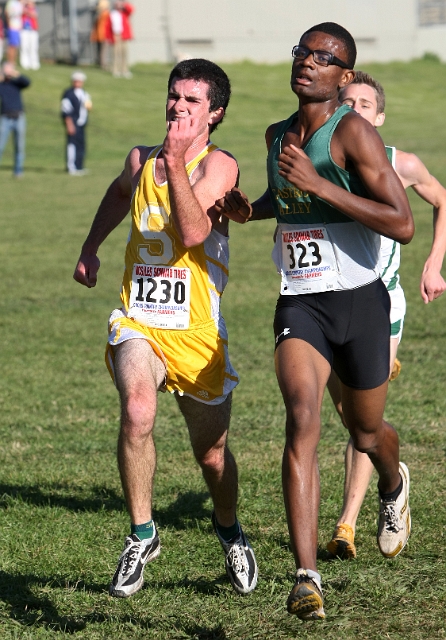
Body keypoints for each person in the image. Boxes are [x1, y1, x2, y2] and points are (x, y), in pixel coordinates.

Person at [215, 22, 414, 620]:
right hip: (300, 301)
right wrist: (254, 209)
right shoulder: (278, 135)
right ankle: (306, 578)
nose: (308, 62)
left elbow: (401, 220)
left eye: (324, 57)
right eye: (303, 51)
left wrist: (320, 186)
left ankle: (392, 481)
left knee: (364, 432)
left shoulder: (351, 132)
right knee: (301, 416)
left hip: (361, 301)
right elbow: (289, 195)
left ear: (344, 76)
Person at [73, 58, 258, 599]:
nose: (178, 105)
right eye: (174, 95)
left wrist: (177, 162)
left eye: (193, 100)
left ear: (215, 113)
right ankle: (142, 533)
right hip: (140, 321)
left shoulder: (219, 165)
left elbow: (195, 230)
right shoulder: (140, 158)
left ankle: (229, 531)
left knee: (212, 455)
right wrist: (91, 246)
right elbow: (116, 193)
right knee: (137, 411)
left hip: (198, 331)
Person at [325, 70, 446, 560]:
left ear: (379, 116)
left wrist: (435, 264)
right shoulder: (324, 159)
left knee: (360, 419)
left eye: (364, 103)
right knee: (348, 415)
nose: (354, 109)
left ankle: (347, 524)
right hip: (326, 301)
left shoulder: (402, 163)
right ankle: (394, 480)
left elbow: (442, 199)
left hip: (381, 303)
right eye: (346, 101)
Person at [0, 61, 30, 177]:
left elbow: (27, 82)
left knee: (19, 146)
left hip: (19, 117)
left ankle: (18, 170)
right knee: (0, 145)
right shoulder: (2, 85)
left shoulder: (16, 83)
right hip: (5, 118)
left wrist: (15, 74)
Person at [61, 71, 92, 176]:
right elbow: (66, 110)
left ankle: (79, 165)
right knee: (72, 145)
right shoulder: (69, 93)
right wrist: (69, 124)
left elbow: (87, 106)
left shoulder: (84, 93)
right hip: (73, 122)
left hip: (81, 124)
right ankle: (71, 166)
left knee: (81, 145)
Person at [106, 1, 133, 78]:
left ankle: (124, 70)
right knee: (115, 53)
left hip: (123, 35)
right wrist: (108, 37)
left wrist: (124, 4)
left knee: (124, 53)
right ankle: (115, 70)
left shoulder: (124, 13)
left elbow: (131, 9)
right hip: (115, 35)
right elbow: (107, 27)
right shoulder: (112, 14)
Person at [20, 1, 39, 70]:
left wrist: (29, 11)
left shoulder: (35, 8)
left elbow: (35, 15)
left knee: (33, 47)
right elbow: (21, 12)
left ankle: (34, 63)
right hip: (24, 29)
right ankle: (25, 62)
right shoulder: (22, 7)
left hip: (33, 29)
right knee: (24, 46)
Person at [90, 0, 110, 70]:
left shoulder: (103, 14)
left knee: (102, 51)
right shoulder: (104, 14)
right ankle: (102, 64)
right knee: (102, 51)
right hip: (101, 35)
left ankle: (102, 64)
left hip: (102, 35)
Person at [4, 0, 22, 65]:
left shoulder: (19, 3)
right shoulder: (11, 2)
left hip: (18, 28)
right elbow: (6, 12)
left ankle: (13, 62)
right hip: (12, 27)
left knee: (15, 46)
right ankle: (9, 62)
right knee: (11, 46)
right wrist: (9, 24)